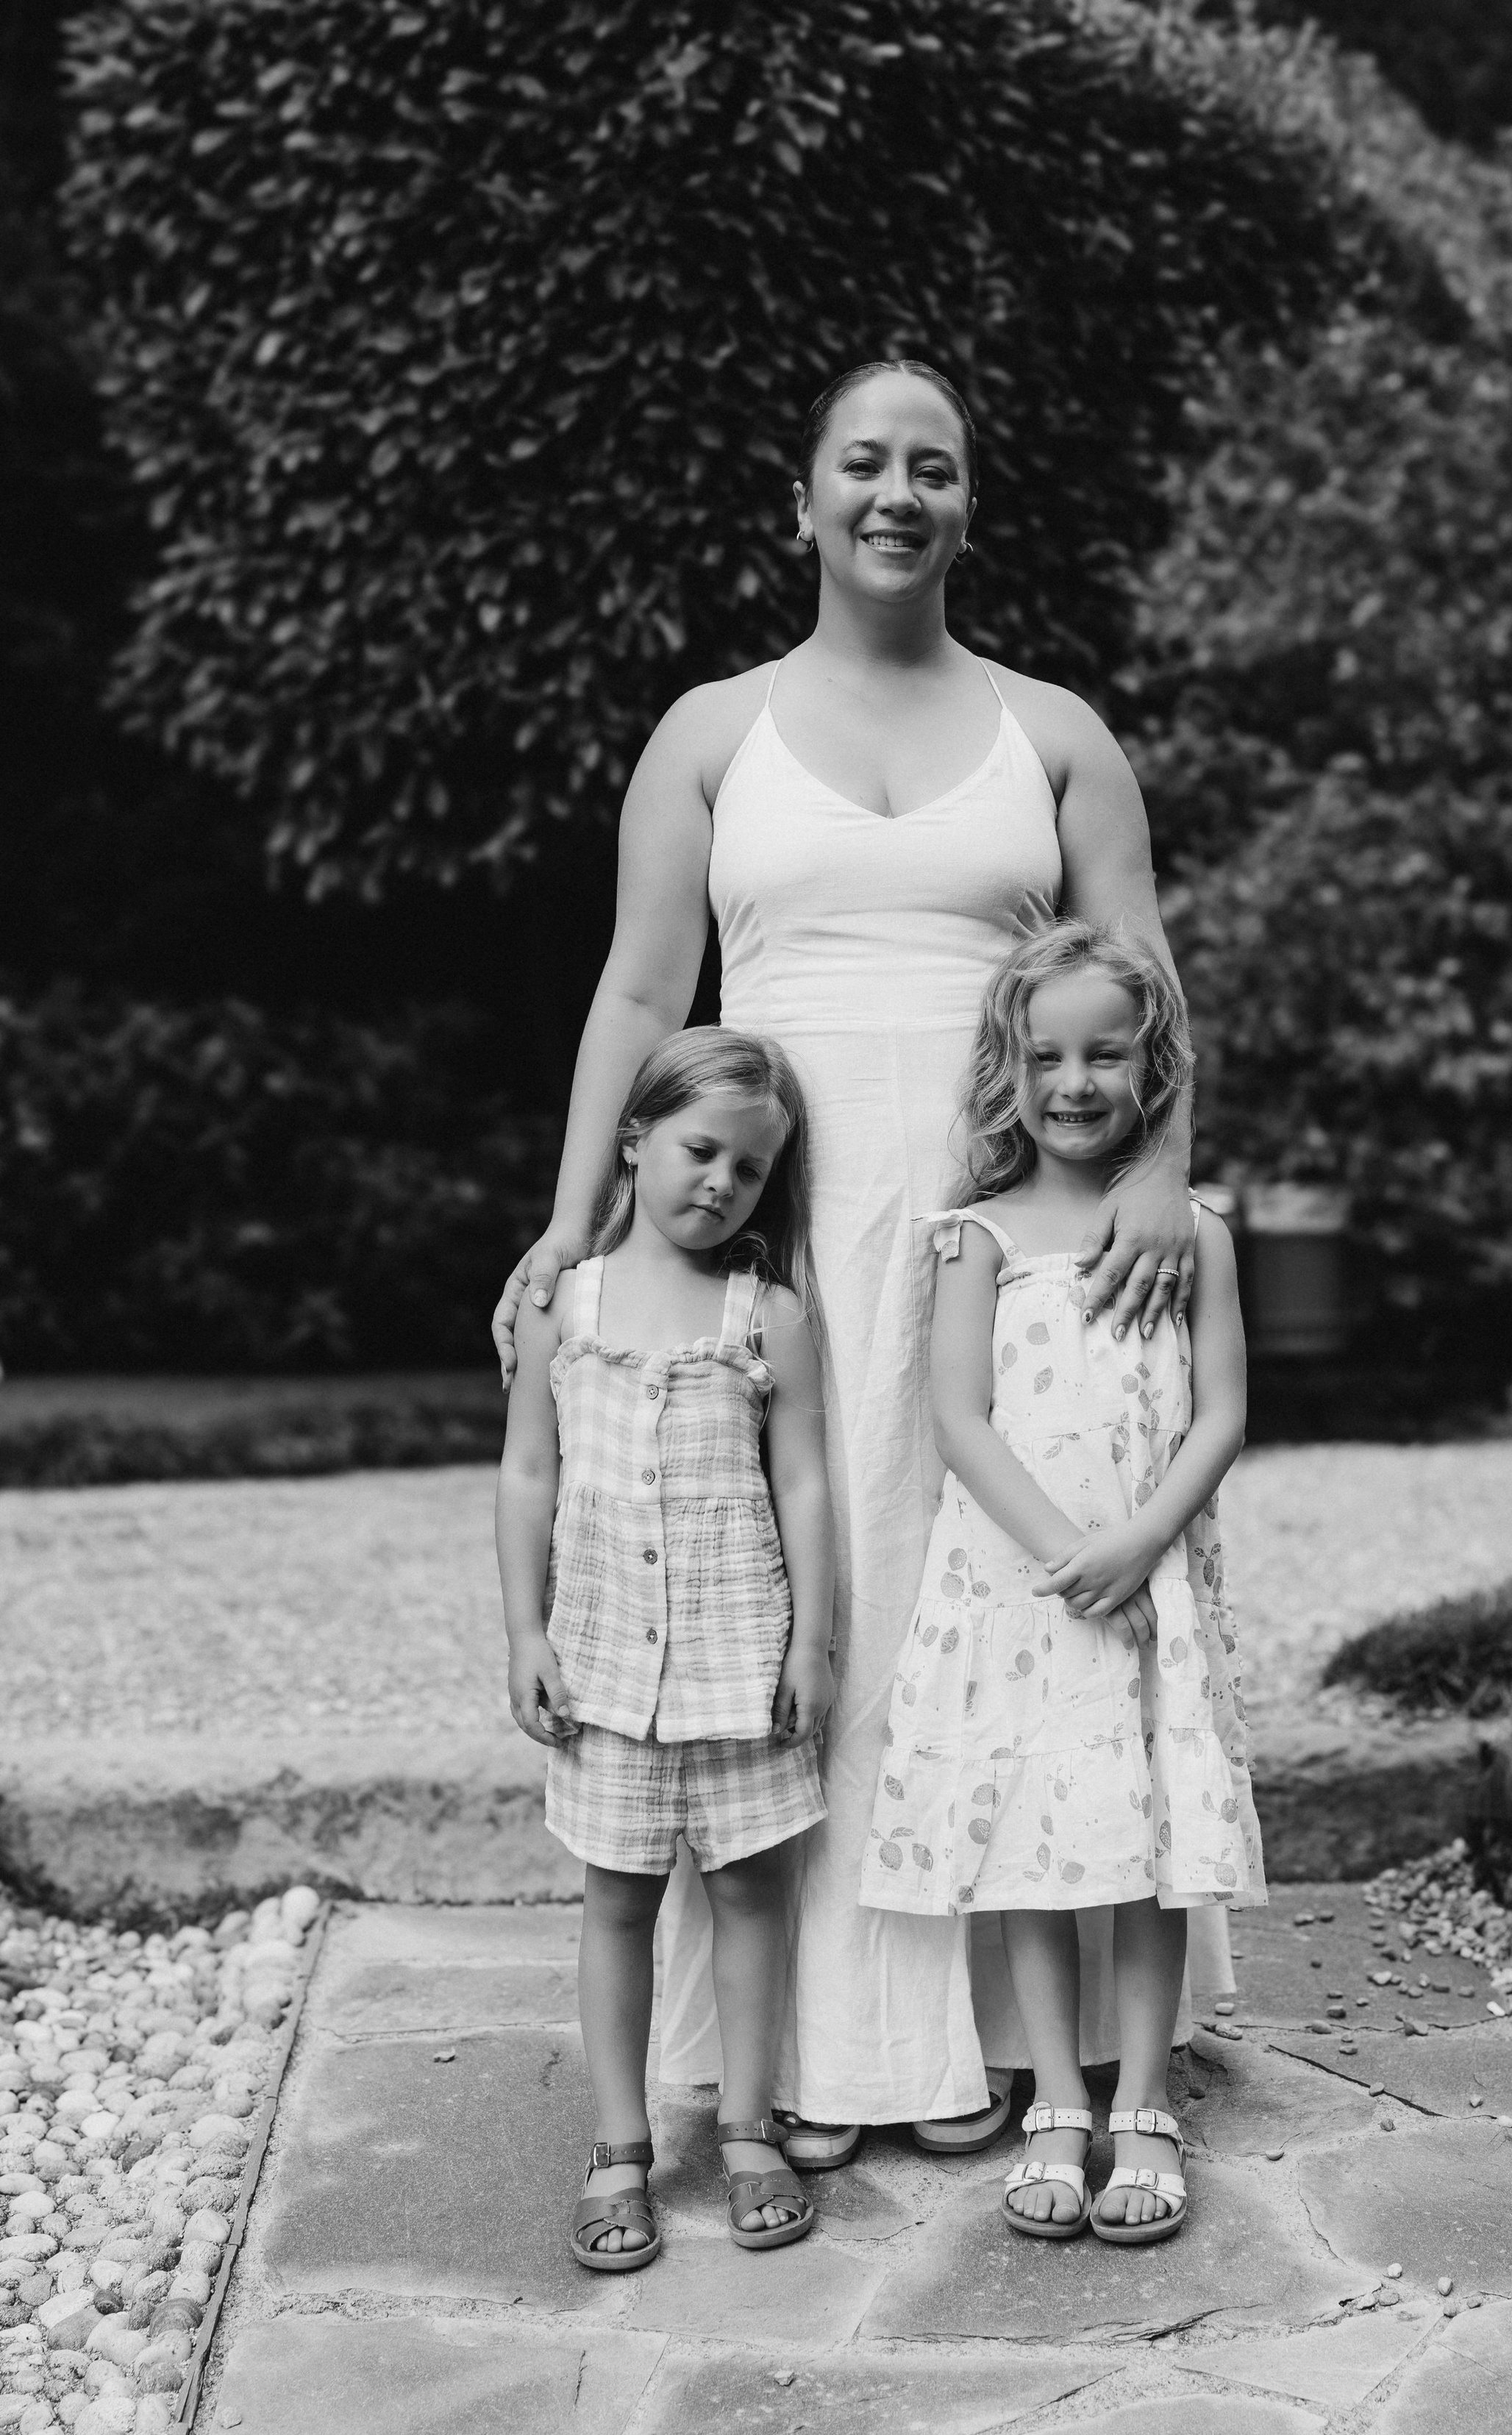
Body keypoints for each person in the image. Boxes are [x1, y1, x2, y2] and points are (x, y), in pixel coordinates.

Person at [491, 356, 1202, 2160]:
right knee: (816, 1599)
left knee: (999, 1600)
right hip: (790, 1230)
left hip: (1007, 1241)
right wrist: (575, 1222)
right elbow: (640, 992)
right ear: (800, 501)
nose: (897, 494)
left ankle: (1021, 2045)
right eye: (864, 464)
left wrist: (1156, 1180)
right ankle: (814, 2056)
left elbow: (1145, 983)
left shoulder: (1056, 734)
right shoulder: (709, 735)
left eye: (933, 468)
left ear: (969, 507)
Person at [863, 923, 1263, 2243]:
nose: (1075, 1082)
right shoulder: (972, 1236)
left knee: (1148, 1851)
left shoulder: (1196, 1232)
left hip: (1150, 1584)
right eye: (1046, 1056)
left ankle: (1141, 2098)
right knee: (1031, 1848)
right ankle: (1053, 2095)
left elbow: (1221, 1415)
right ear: (1010, 1067)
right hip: (1020, 1593)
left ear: (1155, 1067)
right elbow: (959, 1418)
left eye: (1105, 1054)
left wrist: (1139, 1543)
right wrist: (1064, 1554)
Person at [495, 1028, 835, 2268]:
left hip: (739, 1657)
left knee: (750, 1892)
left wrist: (813, 1643)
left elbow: (804, 1484)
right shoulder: (564, 1306)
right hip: (600, 1666)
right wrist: (524, 1630)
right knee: (618, 1902)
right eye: (701, 1151)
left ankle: (746, 2126)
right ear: (633, 1140)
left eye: (750, 1170)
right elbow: (528, 1474)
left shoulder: (769, 1315)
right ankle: (619, 2143)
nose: (721, 1183)